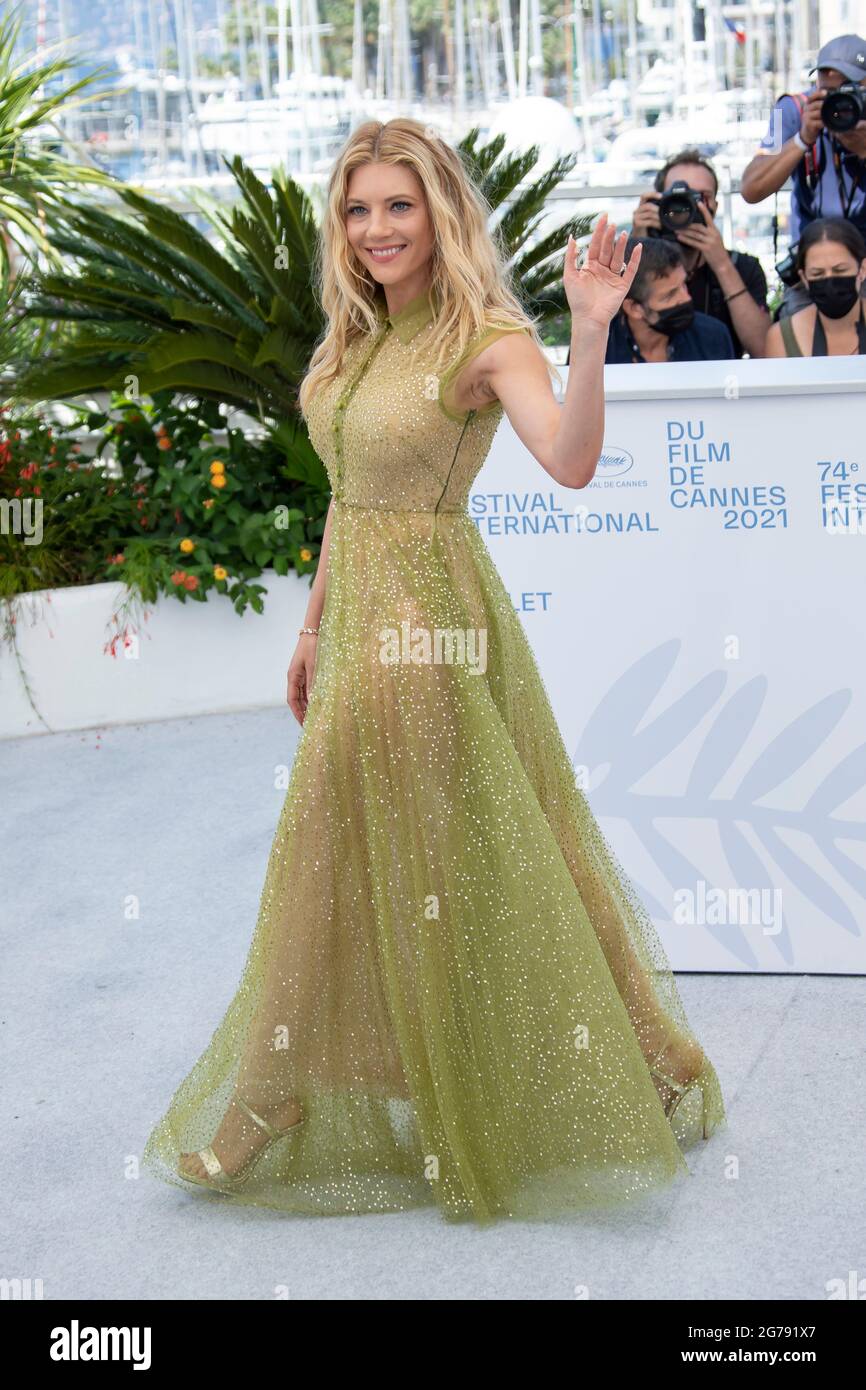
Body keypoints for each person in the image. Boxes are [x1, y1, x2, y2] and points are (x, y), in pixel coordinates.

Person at [142, 118, 725, 1224]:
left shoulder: (488, 335)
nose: (374, 229)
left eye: (397, 207)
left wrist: (590, 330)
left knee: (332, 848)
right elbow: (345, 492)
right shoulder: (355, 337)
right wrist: (312, 627)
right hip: (358, 612)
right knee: (502, 844)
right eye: (357, 210)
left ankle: (269, 1095)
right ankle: (656, 1060)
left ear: (441, 212)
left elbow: (570, 461)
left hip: (427, 624)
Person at [741, 33, 866, 319]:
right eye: (829, 91)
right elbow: (751, 188)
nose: (840, 102)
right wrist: (802, 139)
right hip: (813, 269)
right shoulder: (794, 110)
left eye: (850, 90)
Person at [631, 148, 769, 357]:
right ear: (659, 203)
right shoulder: (638, 257)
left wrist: (722, 265)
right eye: (678, 197)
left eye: (701, 197)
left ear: (715, 205)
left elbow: (762, 350)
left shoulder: (742, 267)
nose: (688, 207)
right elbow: (612, 332)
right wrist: (637, 245)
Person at [603, 235, 736, 363]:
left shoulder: (713, 336)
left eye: (684, 285)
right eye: (670, 295)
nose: (686, 298)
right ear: (634, 308)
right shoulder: (601, 348)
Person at [764, 216, 866, 356]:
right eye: (817, 273)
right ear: (804, 277)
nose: (830, 280)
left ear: (862, 269)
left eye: (840, 270)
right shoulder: (781, 337)